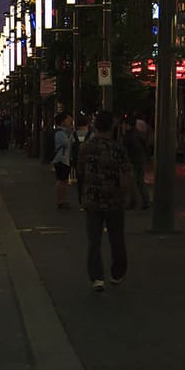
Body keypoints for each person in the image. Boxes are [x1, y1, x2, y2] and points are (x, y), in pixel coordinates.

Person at [79, 111, 132, 291]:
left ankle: (96, 277)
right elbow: (126, 174)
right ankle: (117, 272)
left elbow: (80, 172)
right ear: (111, 127)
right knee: (117, 237)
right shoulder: (117, 148)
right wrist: (125, 194)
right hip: (114, 199)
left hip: (92, 199)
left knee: (94, 240)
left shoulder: (85, 147)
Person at [122, 114, 150, 210]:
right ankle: (145, 200)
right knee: (140, 182)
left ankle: (134, 202)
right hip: (140, 160)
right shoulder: (138, 133)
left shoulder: (128, 136)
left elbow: (125, 151)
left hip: (133, 161)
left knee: (132, 183)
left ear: (127, 125)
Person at [51, 112, 73, 210]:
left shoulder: (62, 132)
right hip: (61, 159)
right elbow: (67, 144)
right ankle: (61, 200)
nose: (70, 121)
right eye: (68, 119)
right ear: (63, 121)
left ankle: (63, 199)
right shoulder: (60, 133)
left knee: (63, 180)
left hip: (63, 159)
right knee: (61, 180)